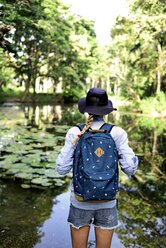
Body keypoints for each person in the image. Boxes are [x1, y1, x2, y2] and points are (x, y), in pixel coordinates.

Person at [56, 87, 138, 248]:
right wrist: (133, 159)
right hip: (107, 201)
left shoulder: (75, 132)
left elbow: (61, 168)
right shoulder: (117, 133)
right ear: (106, 110)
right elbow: (130, 169)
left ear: (86, 110)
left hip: (80, 200)